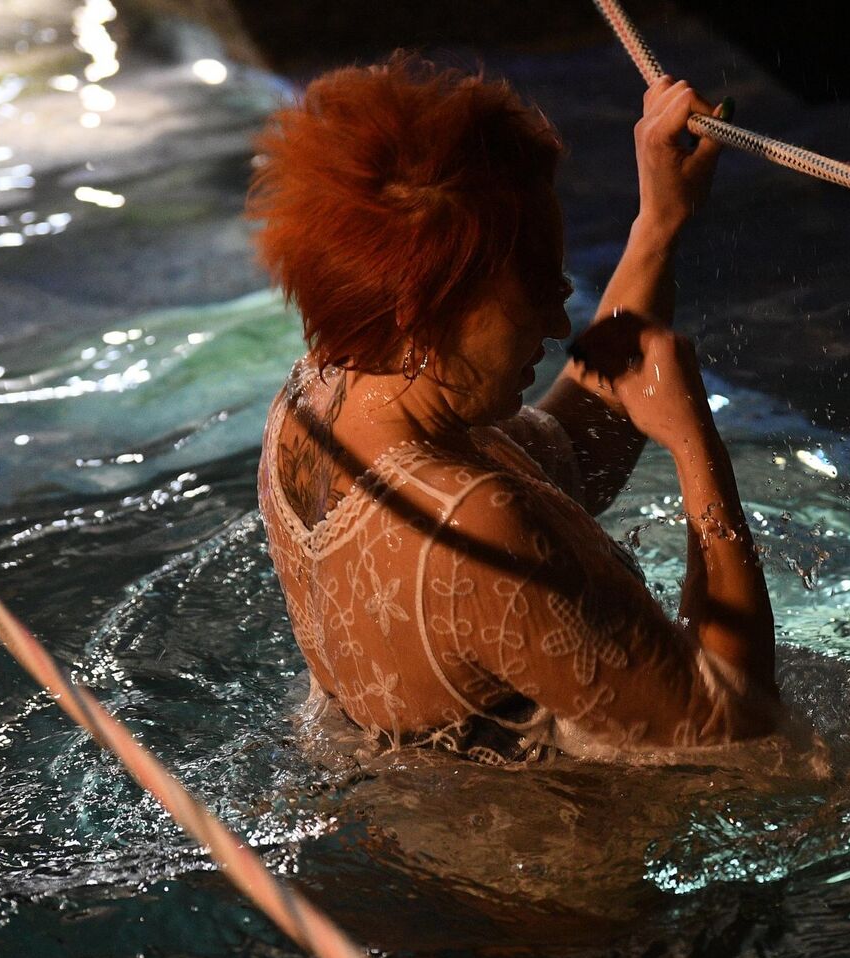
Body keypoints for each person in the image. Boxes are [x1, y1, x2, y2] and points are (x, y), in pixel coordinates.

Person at [249, 55, 814, 767]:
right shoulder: (478, 523)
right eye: (537, 292)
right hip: (544, 839)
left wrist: (659, 222)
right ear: (424, 316)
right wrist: (695, 444)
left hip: (393, 810)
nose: (558, 324)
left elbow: (572, 453)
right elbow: (736, 727)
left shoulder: (314, 400)